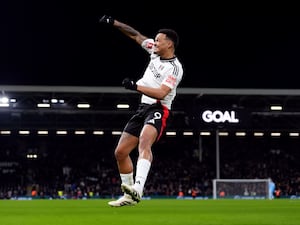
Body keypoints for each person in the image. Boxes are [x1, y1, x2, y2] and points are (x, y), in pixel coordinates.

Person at [99, 15, 184, 207]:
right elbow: (135, 35)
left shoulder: (175, 69)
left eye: (158, 40)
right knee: (120, 152)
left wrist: (135, 86)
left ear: (169, 44)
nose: (154, 42)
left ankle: (138, 187)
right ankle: (129, 196)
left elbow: (162, 93)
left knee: (145, 142)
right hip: (142, 108)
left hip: (159, 108)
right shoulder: (154, 52)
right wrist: (114, 23)